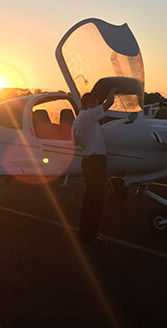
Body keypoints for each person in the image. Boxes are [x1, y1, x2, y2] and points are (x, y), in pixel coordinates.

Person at [72, 88, 116, 245]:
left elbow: (74, 142)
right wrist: (113, 88)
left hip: (88, 162)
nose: (98, 105)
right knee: (95, 201)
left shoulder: (78, 120)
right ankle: (90, 236)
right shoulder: (89, 116)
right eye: (96, 102)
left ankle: (86, 234)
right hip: (96, 163)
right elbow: (109, 102)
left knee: (90, 200)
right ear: (91, 104)